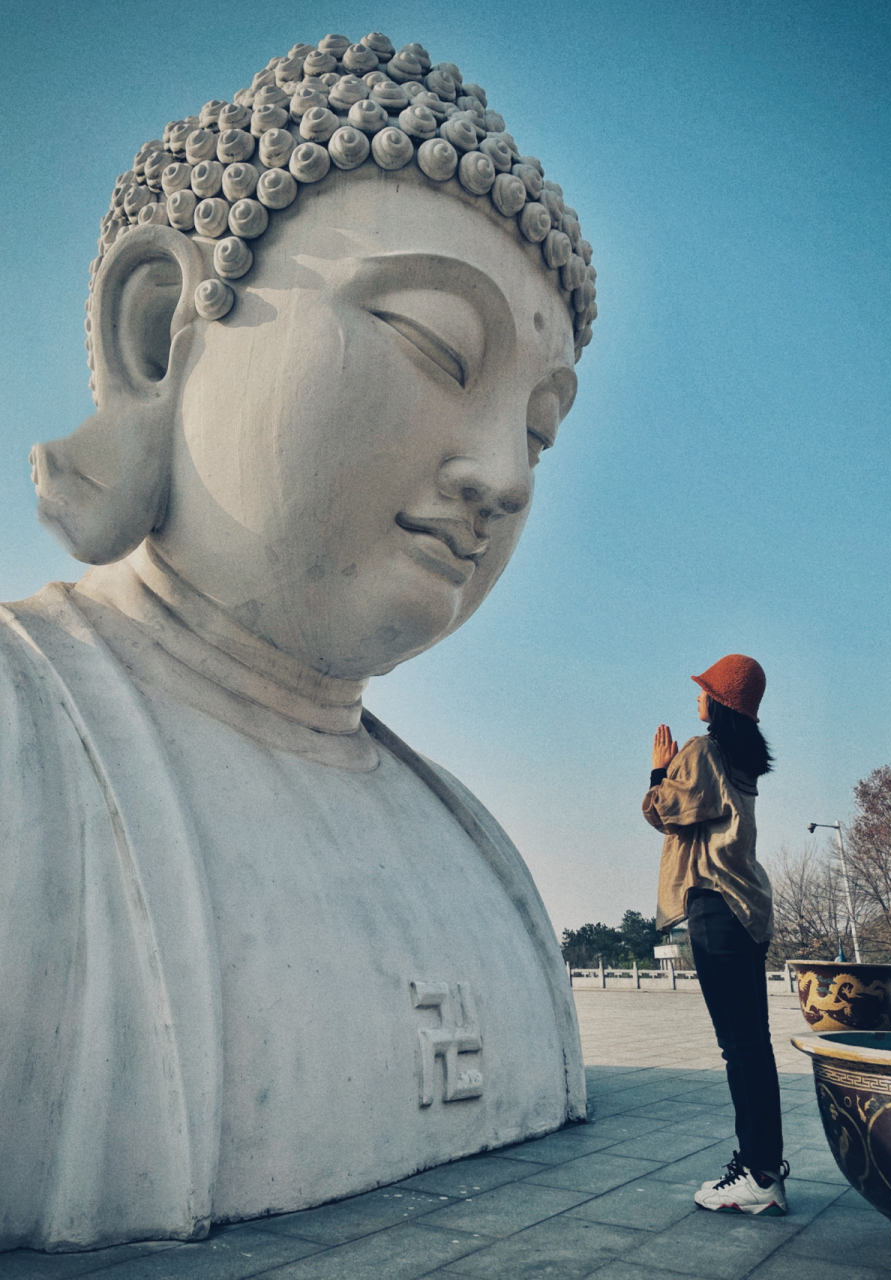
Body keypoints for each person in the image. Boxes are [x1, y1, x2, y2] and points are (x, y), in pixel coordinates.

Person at [0, 32, 595, 1252]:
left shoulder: (476, 845)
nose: (502, 475)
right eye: (439, 346)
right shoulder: (24, 738)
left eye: (538, 430)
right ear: (159, 332)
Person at [642, 654, 789, 1215]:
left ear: (721, 701)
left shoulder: (703, 752)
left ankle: (758, 1175)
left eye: (704, 689)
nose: (697, 696)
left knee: (739, 1047)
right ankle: (763, 1168)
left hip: (716, 904)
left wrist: (659, 770)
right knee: (753, 1044)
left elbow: (661, 811)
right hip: (749, 908)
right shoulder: (741, 758)